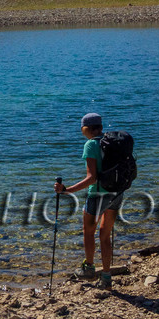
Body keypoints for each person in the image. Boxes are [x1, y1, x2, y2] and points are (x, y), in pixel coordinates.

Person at [54, 112, 119, 287]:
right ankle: (106, 277)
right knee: (105, 237)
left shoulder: (91, 145)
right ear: (101, 127)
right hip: (117, 193)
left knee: (88, 231)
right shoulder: (112, 142)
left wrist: (67, 190)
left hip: (97, 195)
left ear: (86, 128)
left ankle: (89, 268)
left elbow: (92, 178)